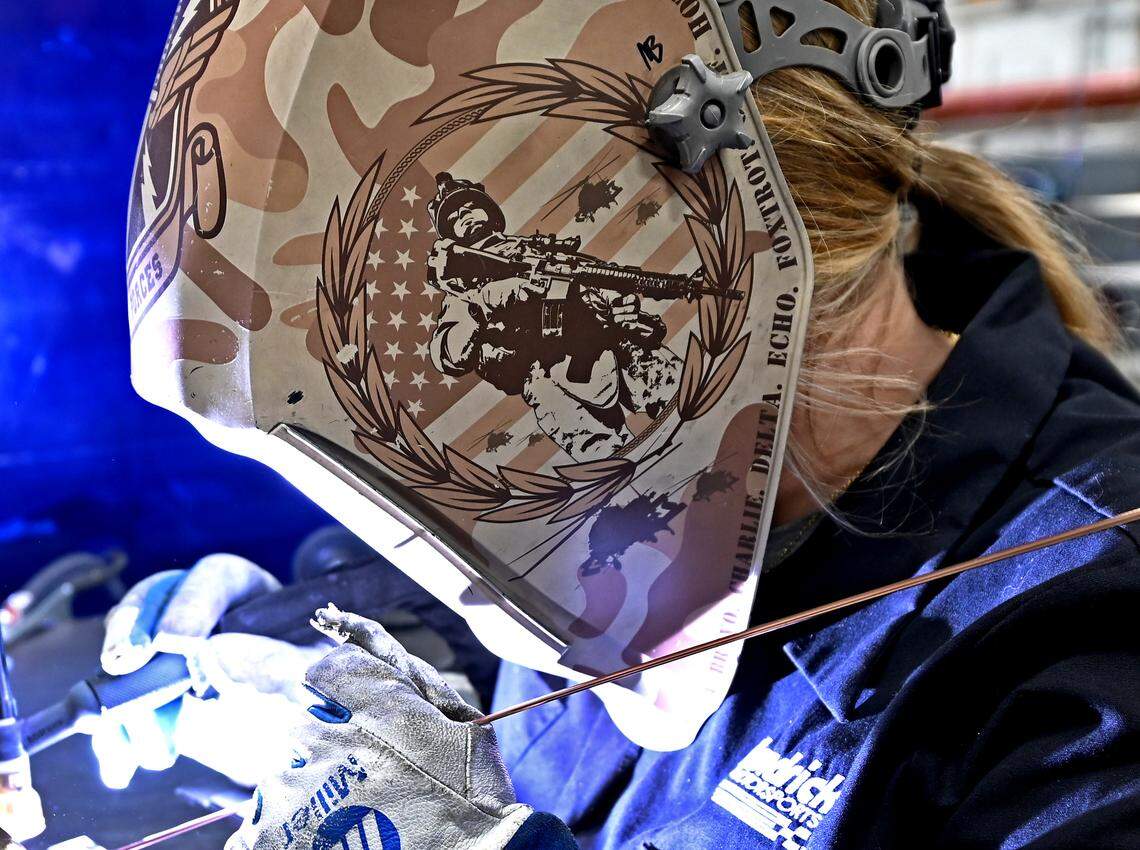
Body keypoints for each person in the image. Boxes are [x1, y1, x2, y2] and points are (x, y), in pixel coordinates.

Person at [99, 1, 1140, 848]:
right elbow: (538, 663)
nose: (505, 449)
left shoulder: (1087, 652)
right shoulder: (640, 476)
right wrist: (319, 644)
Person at [425, 173, 682, 460]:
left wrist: (621, 306)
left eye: (470, 206)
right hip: (547, 379)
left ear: (489, 211)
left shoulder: (538, 250)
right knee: (608, 463)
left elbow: (595, 278)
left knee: (682, 396)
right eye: (455, 216)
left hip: (609, 346)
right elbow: (448, 356)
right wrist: (482, 301)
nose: (464, 215)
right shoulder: (462, 282)